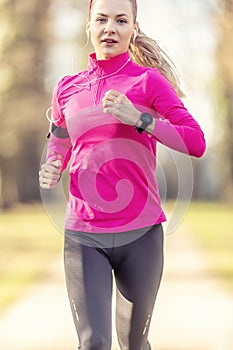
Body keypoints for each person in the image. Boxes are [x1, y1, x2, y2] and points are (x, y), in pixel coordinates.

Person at [39, 0, 206, 349]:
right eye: (101, 19)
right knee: (93, 343)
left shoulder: (149, 82)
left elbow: (196, 142)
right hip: (84, 235)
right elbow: (59, 139)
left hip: (141, 235)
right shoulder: (67, 87)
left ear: (133, 27)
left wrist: (141, 119)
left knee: (133, 343)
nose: (110, 28)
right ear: (89, 25)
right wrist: (52, 166)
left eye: (120, 20)